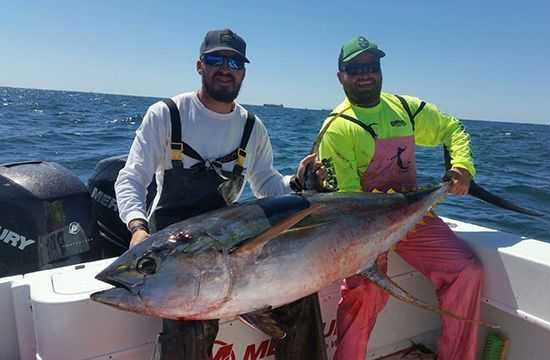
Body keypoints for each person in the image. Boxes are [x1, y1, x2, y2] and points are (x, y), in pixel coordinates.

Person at [115, 29, 327, 360]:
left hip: (229, 247)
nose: (225, 68)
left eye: (234, 62)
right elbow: (132, 177)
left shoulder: (251, 127)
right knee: (189, 323)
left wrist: (298, 183)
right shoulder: (167, 114)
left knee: (301, 295)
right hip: (176, 252)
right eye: (216, 60)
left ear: (243, 71)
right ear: (200, 66)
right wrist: (137, 227)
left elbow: (266, 183)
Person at [315, 36, 484, 360]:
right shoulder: (336, 128)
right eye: (355, 69)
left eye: (372, 66)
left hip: (412, 214)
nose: (365, 74)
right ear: (341, 77)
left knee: (467, 271)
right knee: (365, 290)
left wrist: (462, 166)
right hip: (365, 225)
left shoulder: (405, 108)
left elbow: (454, 129)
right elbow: (348, 204)